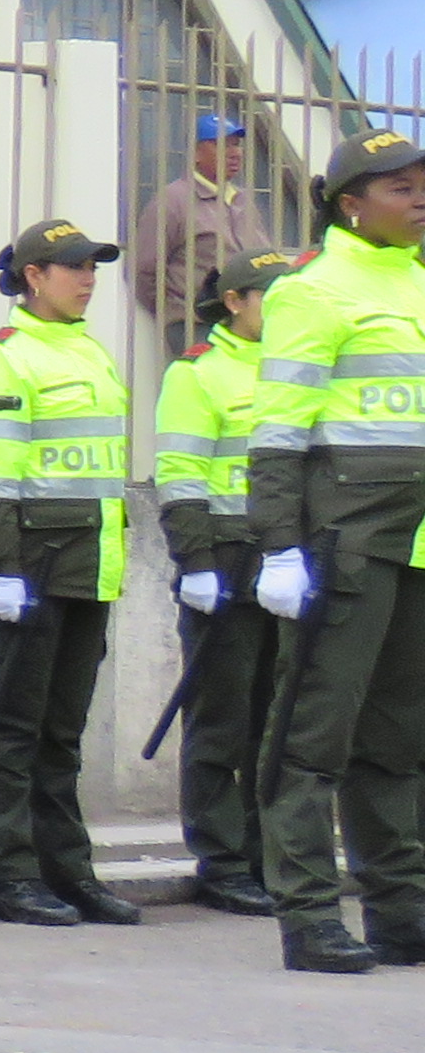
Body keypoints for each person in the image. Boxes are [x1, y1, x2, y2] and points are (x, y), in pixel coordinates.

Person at [244, 127, 425, 975]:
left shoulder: (419, 280)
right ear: (351, 204)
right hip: (345, 542)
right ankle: (309, 913)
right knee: (313, 735)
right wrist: (280, 547)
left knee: (399, 737)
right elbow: (277, 433)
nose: (419, 196)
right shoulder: (313, 292)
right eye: (400, 186)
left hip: (416, 545)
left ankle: (399, 908)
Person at [0, 221, 144, 929]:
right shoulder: (4, 359)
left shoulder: (91, 352)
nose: (88, 277)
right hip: (30, 574)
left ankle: (68, 871)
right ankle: (8, 876)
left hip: (89, 569)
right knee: (13, 729)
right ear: (34, 276)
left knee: (62, 733)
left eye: (92, 266)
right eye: (73, 266)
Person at [149, 244, 305, 918]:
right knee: (221, 720)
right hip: (227, 566)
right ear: (234, 302)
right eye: (270, 295)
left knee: (279, 721)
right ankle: (221, 857)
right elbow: (180, 479)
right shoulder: (199, 374)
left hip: (286, 565)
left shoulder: (300, 369)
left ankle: (270, 852)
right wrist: (196, 564)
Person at [127, 113, 263, 334]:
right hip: (195, 326)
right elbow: (144, 269)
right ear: (197, 153)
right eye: (222, 145)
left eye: (236, 145)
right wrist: (176, 312)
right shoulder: (173, 200)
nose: (234, 153)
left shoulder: (243, 200)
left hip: (243, 326)